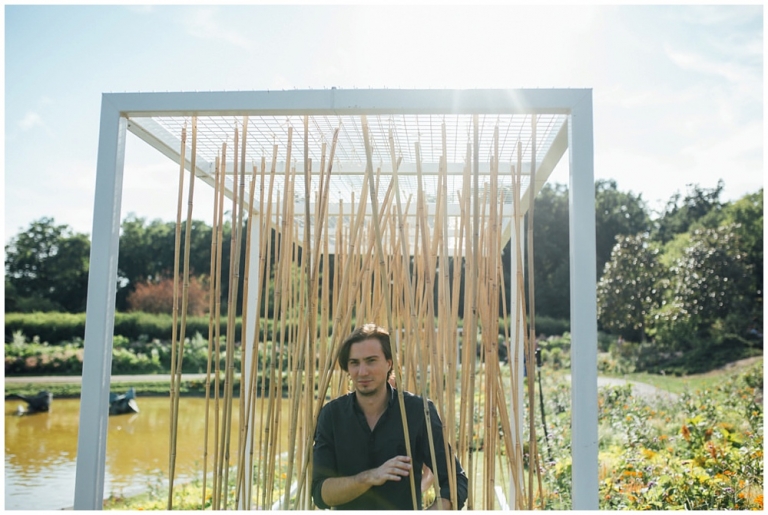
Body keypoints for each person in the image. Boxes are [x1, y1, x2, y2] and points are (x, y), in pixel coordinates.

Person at [312, 323, 468, 510]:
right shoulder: (331, 415)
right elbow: (320, 493)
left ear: (389, 363)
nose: (362, 372)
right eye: (355, 363)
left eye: (371, 361)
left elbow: (455, 480)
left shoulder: (418, 411)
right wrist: (370, 477)